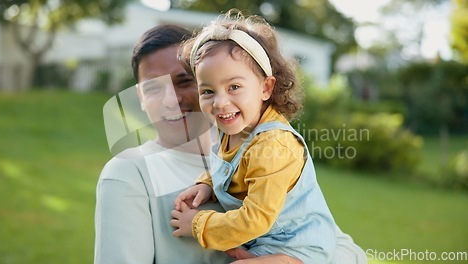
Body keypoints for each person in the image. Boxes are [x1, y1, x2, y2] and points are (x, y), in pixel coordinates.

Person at [94, 24, 306, 264]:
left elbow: (344, 248)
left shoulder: (259, 152)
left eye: (183, 81)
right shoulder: (129, 173)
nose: (170, 100)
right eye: (153, 88)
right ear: (141, 97)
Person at [170, 11, 364, 264]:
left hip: (298, 246)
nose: (220, 102)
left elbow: (255, 219)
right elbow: (231, 167)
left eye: (234, 87)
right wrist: (206, 184)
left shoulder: (274, 144)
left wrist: (197, 224)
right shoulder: (231, 128)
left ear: (265, 88)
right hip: (264, 240)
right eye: (208, 91)